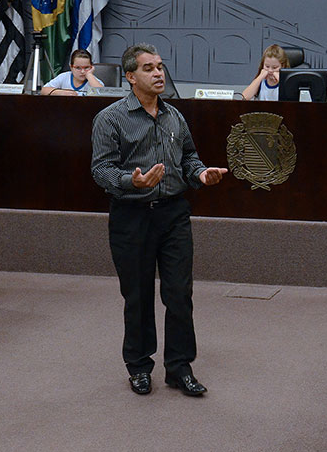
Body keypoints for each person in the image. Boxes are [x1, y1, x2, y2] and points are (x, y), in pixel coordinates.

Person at [91, 43, 228, 397]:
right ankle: (138, 366)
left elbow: (190, 158)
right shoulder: (110, 118)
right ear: (130, 77)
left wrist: (200, 175)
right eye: (149, 68)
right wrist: (131, 181)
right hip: (131, 217)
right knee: (137, 296)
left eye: (161, 67)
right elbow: (101, 170)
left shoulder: (174, 116)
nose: (159, 73)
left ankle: (179, 367)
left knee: (179, 294)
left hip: (173, 214)